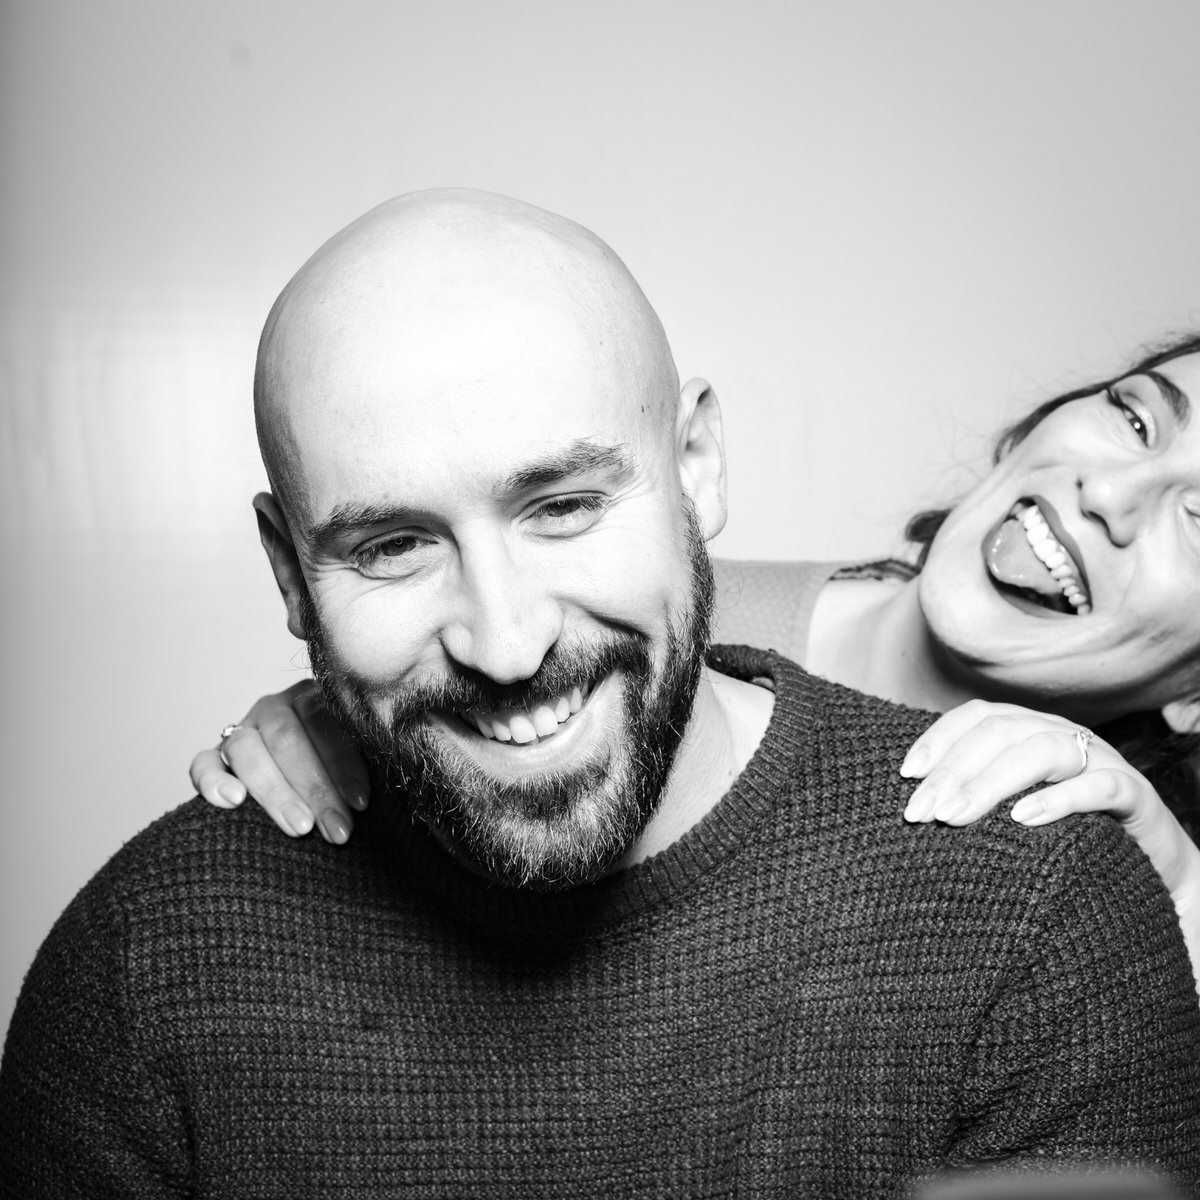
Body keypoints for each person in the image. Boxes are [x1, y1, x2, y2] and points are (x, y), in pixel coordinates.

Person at [3, 190, 1199, 1197]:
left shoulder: (1066, 903)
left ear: (699, 471)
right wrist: (346, 710)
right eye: (391, 546)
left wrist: (1167, 893)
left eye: (565, 507)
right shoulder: (145, 963)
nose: (508, 642)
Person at [192, 335, 1200, 979]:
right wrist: (343, 728)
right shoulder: (636, 612)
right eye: (1137, 417)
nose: (1112, 494)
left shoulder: (1134, 873)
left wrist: (1178, 898)